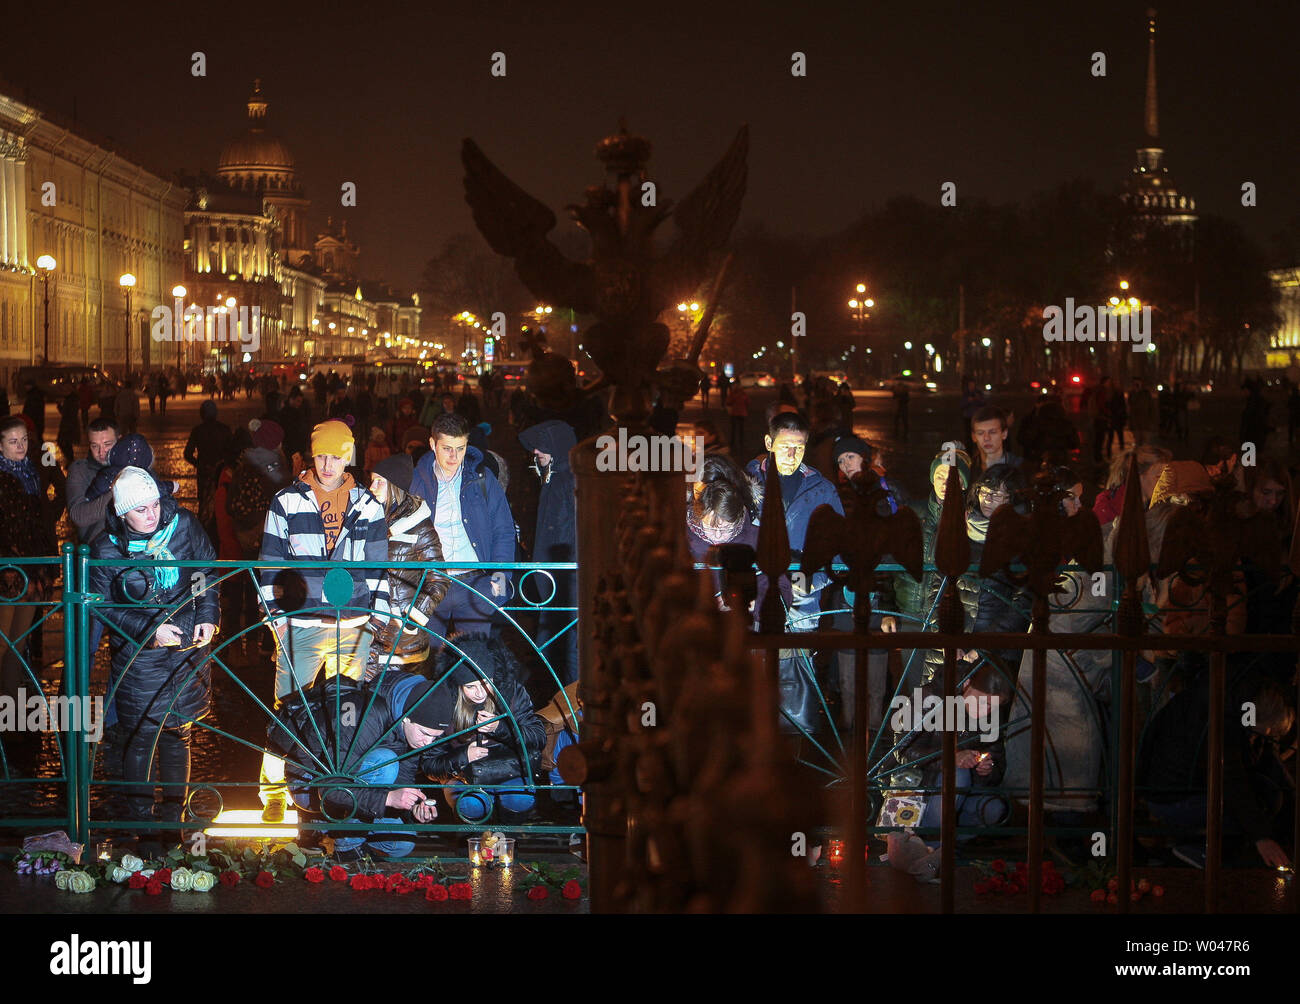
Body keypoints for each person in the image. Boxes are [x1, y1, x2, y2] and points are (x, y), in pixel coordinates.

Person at [257, 419, 391, 822]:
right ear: (310, 455)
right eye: (320, 455)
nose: (328, 464)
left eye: (335, 456)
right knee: (287, 709)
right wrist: (274, 618)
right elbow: (268, 565)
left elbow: (378, 568)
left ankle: (335, 789)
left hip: (352, 625)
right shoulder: (286, 501)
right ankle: (277, 790)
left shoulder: (368, 505)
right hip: (300, 624)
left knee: (346, 709)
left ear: (348, 456)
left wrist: (377, 621)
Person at [88, 468, 218, 848]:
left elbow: (203, 571)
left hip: (187, 649)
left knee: (180, 734)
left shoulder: (184, 525)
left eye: (155, 505)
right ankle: (143, 829)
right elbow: (104, 606)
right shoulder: (106, 548)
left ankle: (172, 826)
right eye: (141, 509)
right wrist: (149, 631)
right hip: (139, 656)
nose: (152, 514)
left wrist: (207, 615)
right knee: (142, 737)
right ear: (123, 513)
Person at [265, 673, 443, 859]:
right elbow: (331, 788)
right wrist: (388, 799)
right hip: (309, 783)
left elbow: (399, 784)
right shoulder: (365, 713)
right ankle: (345, 847)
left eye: (435, 737)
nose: (428, 742)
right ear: (407, 718)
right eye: (425, 733)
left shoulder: (411, 734)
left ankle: (330, 828)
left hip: (351, 785)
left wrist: (412, 810)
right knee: (385, 763)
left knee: (400, 843)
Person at [1139, 669, 1294, 869]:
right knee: (1246, 813)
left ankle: (1221, 853)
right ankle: (1199, 852)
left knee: (1270, 797)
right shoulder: (1220, 719)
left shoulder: (1243, 703)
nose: (1266, 736)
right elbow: (1230, 778)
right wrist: (1262, 837)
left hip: (1191, 785)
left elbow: (1269, 763)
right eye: (1263, 732)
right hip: (1171, 796)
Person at [418, 634, 546, 823]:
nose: (480, 693)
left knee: (519, 797)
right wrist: (463, 756)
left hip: (506, 768)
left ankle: (506, 841)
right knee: (472, 803)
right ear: (459, 686)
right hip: (463, 775)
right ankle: (471, 842)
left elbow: (538, 737)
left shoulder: (511, 693)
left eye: (486, 683)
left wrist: (501, 728)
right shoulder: (444, 701)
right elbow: (429, 764)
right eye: (470, 686)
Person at [410, 412, 516, 638]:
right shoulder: (415, 480)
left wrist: (500, 579)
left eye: (460, 448)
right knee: (427, 662)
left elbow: (503, 530)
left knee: (475, 665)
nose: (454, 456)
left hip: (475, 584)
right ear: (432, 444)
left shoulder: (482, 478)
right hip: (430, 584)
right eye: (447, 448)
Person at [0, 416, 60, 768]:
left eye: (23, 439)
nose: (20, 446)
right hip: (7, 571)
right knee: (4, 641)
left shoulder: (33, 473)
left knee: (17, 647)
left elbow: (44, 516)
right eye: (12, 441)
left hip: (31, 570)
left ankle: (8, 717)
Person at [363, 452, 449, 681]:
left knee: (402, 706)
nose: (372, 486)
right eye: (372, 480)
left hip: (402, 638)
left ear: (395, 486)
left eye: (379, 481)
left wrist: (412, 619)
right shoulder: (365, 517)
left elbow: (438, 577)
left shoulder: (418, 525)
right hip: (367, 633)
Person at [518, 418, 579, 685]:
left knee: (568, 655)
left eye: (541, 446)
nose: (535, 452)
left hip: (564, 587)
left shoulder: (563, 483)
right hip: (557, 585)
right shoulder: (558, 479)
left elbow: (565, 535)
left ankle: (575, 716)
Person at [1091, 445, 1171, 535]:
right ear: (1137, 476)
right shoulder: (1106, 507)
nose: (1165, 484)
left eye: (1166, 478)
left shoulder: (1163, 507)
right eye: (1158, 477)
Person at [67, 419, 120, 545]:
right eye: (95, 446)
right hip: (94, 552)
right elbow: (78, 516)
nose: (101, 452)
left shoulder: (134, 467)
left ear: (120, 441)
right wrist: (120, 490)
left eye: (107, 444)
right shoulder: (79, 470)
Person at [184, 399, 234, 513]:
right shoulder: (224, 430)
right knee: (222, 501)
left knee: (204, 502)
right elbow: (232, 451)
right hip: (221, 472)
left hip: (204, 472)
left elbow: (187, 453)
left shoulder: (197, 431)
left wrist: (199, 464)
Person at [969, 406, 1022, 478]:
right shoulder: (966, 471)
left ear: (1004, 434)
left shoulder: (1021, 468)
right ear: (974, 437)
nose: (986, 438)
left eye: (992, 432)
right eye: (980, 433)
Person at [1127, 378, 1156, 446]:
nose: (1137, 385)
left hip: (1145, 422)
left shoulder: (1146, 393)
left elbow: (1151, 407)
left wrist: (1152, 421)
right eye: (1135, 384)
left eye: (1138, 383)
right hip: (1135, 422)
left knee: (1144, 442)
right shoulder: (1132, 394)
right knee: (1137, 441)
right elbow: (1130, 407)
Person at [726, 383, 749, 454]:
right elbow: (748, 402)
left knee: (734, 428)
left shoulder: (733, 394)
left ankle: (733, 442)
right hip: (742, 413)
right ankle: (741, 441)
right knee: (741, 428)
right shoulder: (744, 395)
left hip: (734, 413)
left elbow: (728, 402)